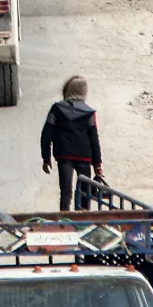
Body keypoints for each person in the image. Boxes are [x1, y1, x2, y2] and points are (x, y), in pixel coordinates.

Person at [40, 75, 103, 212]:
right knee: (85, 192)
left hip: (64, 156)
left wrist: (46, 158)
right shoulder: (89, 113)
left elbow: (46, 134)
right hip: (84, 157)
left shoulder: (56, 109)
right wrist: (97, 164)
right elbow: (94, 138)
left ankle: (65, 220)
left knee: (65, 192)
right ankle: (83, 222)